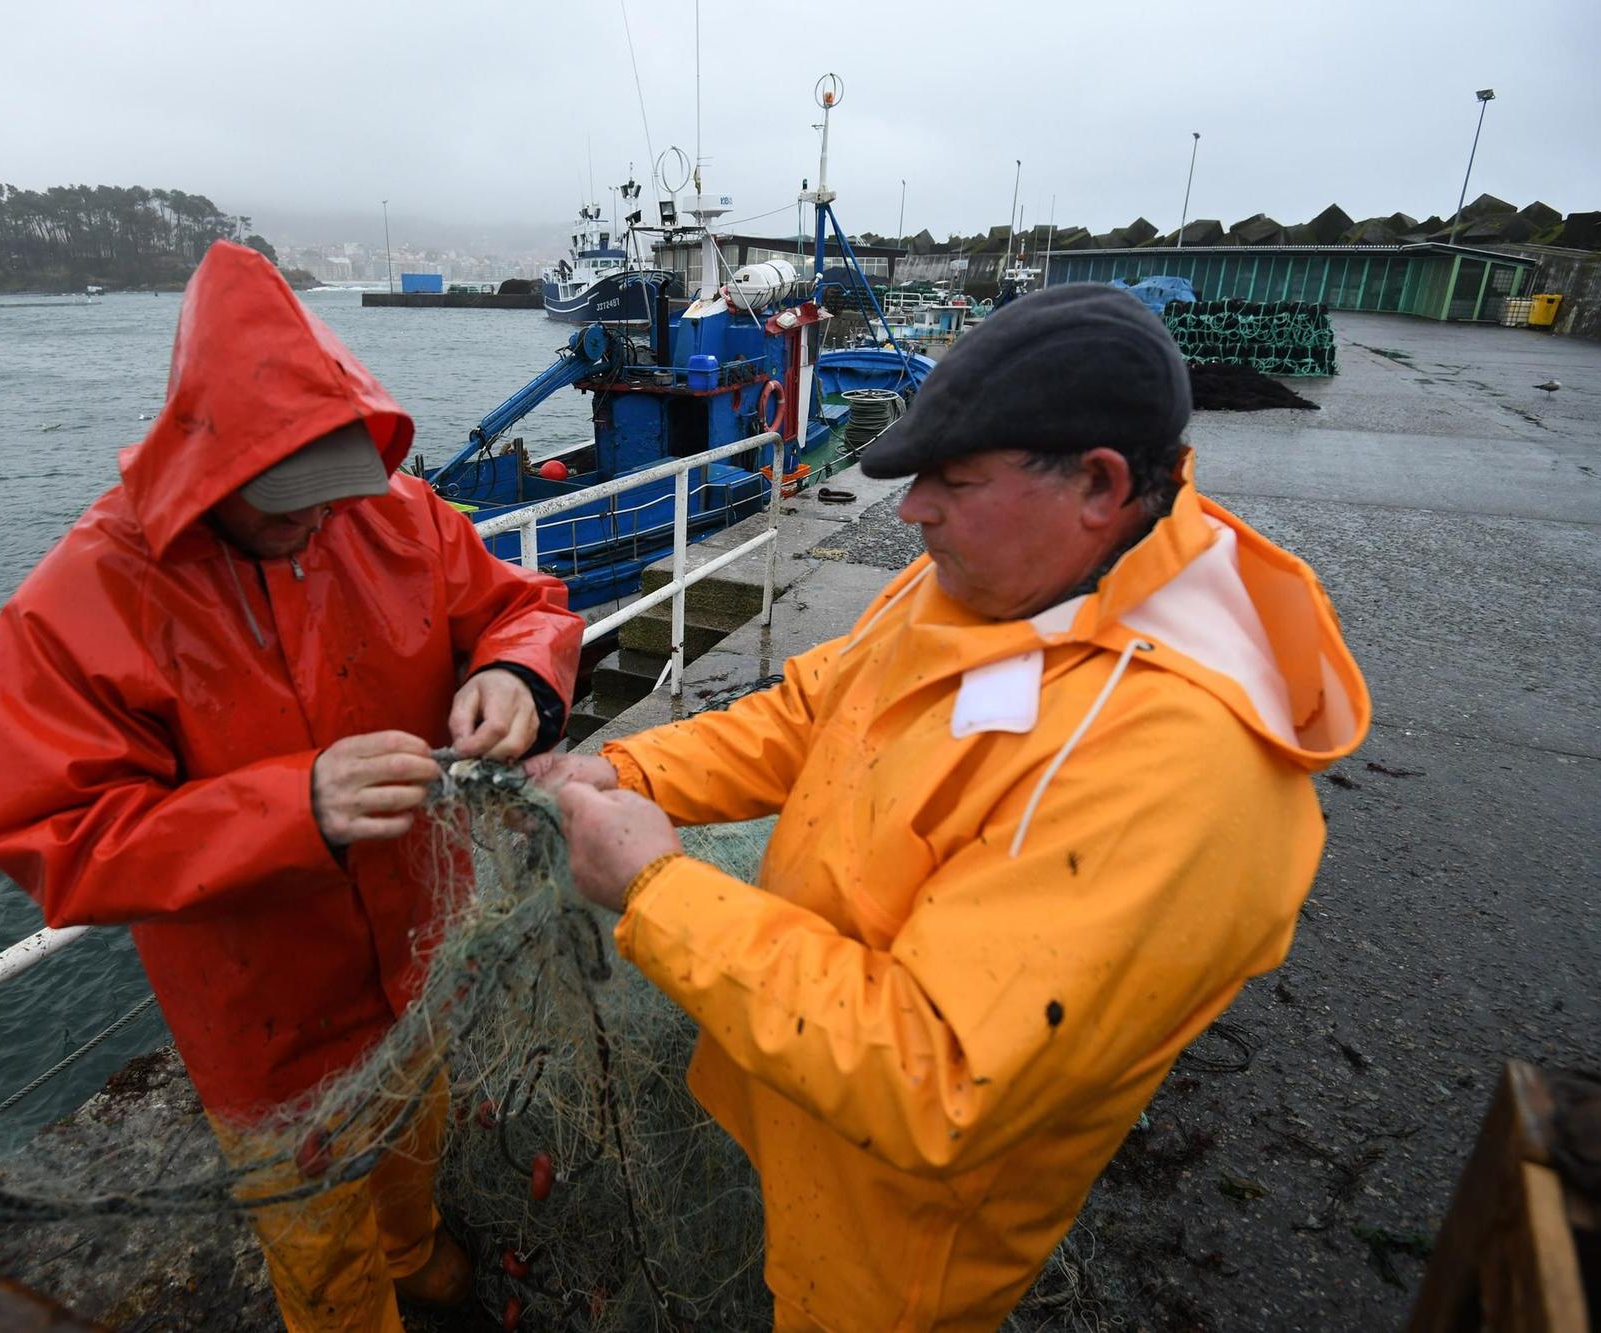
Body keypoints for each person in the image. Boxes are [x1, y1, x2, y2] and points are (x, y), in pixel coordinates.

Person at [534, 283, 1371, 1331]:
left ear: (1099, 487)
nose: (913, 506)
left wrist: (652, 891)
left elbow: (936, 1077)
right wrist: (630, 773)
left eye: (953, 479)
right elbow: (809, 715)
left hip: (903, 1236)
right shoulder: (987, 582)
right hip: (811, 1111)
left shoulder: (1177, 765)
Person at [0, 240, 582, 1332]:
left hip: (417, 959)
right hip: (262, 1025)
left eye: (332, 492)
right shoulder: (75, 604)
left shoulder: (389, 513)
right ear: (210, 478)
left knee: (412, 1148)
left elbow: (520, 601)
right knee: (319, 1256)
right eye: (285, 503)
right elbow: (53, 837)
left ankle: (422, 1258)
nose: (317, 520)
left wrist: (515, 672)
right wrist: (290, 809)